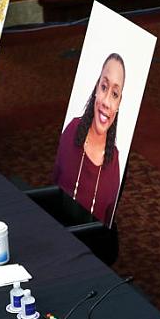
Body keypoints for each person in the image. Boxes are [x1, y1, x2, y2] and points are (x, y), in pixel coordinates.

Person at [53, 53, 125, 225]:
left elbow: (107, 221)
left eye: (115, 94)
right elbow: (53, 188)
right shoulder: (71, 132)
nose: (107, 101)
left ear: (119, 103)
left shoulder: (114, 162)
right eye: (104, 87)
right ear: (96, 89)